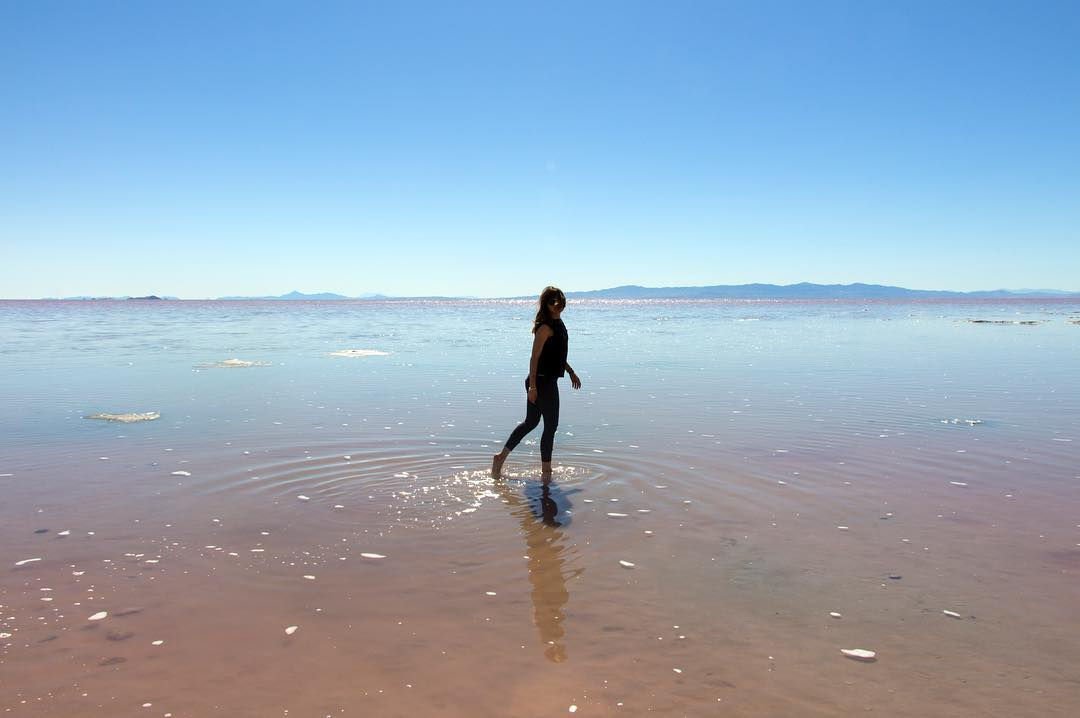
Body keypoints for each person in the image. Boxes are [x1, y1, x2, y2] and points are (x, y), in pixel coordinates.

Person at [492, 286, 582, 479]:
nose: (557, 305)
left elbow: (557, 356)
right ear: (546, 305)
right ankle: (546, 472)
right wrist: (532, 387)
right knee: (550, 426)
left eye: (560, 301)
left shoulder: (559, 323)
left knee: (531, 423)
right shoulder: (545, 328)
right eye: (553, 302)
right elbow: (534, 358)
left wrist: (571, 372)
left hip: (546, 381)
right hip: (541, 382)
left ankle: (500, 458)